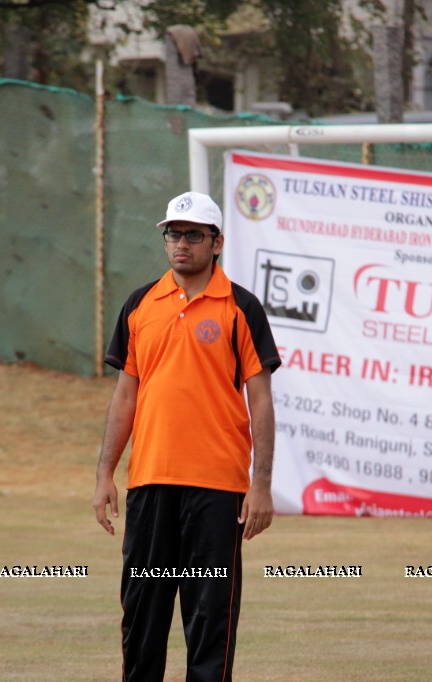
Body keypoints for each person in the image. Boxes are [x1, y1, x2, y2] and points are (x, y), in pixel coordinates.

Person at [93, 190, 281, 681]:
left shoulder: (242, 307)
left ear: (216, 243)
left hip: (217, 490)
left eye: (193, 235)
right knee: (143, 616)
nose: (181, 244)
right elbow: (125, 397)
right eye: (173, 234)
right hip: (151, 483)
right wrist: (104, 474)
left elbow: (260, 400)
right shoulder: (140, 304)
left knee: (209, 620)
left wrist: (260, 484)